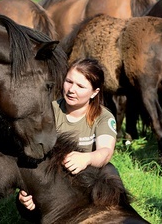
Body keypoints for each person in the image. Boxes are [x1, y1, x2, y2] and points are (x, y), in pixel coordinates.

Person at [18, 57, 118, 211]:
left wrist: (87, 158)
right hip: (52, 179)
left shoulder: (103, 117)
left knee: (110, 171)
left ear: (94, 92)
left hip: (88, 179)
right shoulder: (48, 111)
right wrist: (27, 189)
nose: (71, 90)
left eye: (80, 86)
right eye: (69, 81)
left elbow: (105, 152)